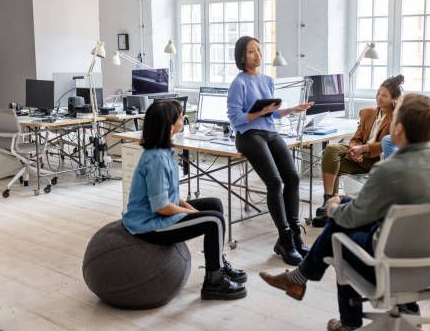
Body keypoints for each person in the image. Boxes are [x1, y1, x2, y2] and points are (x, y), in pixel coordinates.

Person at [259, 94, 430, 331]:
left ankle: (340, 316)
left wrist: (334, 208)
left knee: (338, 235)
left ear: (399, 130)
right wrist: (354, 201)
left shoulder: (389, 169)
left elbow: (353, 218)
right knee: (349, 215)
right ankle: (404, 306)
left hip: (394, 263)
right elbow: (401, 206)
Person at [122, 100, 247, 301]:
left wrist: (190, 208)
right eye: (180, 117)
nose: (183, 119)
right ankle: (213, 282)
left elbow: (169, 195)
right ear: (169, 125)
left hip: (158, 214)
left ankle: (218, 265)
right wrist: (193, 215)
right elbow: (162, 206)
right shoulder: (156, 159)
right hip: (150, 225)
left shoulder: (163, 151)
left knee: (214, 205)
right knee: (214, 220)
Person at [227, 36, 314, 266]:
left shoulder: (267, 80)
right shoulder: (239, 83)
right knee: (274, 182)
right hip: (248, 135)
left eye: (259, 50)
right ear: (242, 57)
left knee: (293, 177)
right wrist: (260, 112)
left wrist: (291, 110)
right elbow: (236, 119)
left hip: (269, 132)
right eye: (251, 51)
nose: (258, 55)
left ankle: (294, 234)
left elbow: (272, 114)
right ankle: (284, 238)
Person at [313, 75, 405, 227]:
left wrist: (364, 149)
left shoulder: (398, 118)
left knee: (334, 160)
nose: (379, 98)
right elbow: (356, 137)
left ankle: (331, 208)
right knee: (331, 151)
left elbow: (388, 143)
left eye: (384, 95)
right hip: (359, 156)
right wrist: (354, 149)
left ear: (394, 99)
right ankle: (328, 199)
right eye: (378, 93)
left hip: (375, 160)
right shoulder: (367, 113)